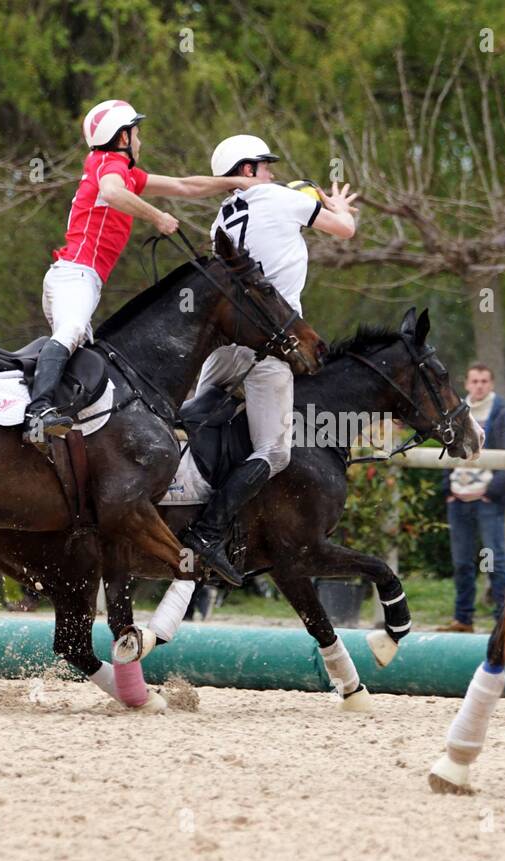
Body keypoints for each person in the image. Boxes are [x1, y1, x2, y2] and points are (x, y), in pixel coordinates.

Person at [178, 134, 359, 585]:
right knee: (274, 452)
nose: (272, 172)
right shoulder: (279, 198)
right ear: (246, 170)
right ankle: (211, 530)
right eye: (264, 164)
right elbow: (346, 232)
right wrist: (336, 205)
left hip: (223, 346)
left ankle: (179, 512)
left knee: (201, 428)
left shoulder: (221, 217)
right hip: (269, 342)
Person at [25, 100, 262, 442]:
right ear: (122, 137)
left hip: (79, 277)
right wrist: (157, 217)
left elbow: (185, 186)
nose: (140, 141)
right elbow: (111, 192)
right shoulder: (112, 166)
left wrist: (237, 183)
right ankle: (37, 411)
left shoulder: (115, 168)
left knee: (90, 363)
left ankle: (72, 429)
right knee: (72, 331)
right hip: (75, 276)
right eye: (136, 133)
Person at [440, 364, 505, 633]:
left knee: (494, 560)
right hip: (459, 499)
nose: (479, 386)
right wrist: (448, 490)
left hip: (487, 501)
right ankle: (463, 619)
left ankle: (504, 620)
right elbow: (444, 448)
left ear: (492, 384)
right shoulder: (456, 412)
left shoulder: (503, 416)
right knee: (462, 562)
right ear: (467, 384)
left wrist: (491, 493)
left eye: (484, 381)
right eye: (474, 381)